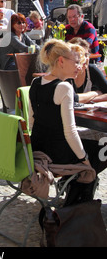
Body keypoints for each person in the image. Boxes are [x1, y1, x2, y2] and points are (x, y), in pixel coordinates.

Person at [29, 39, 107, 205]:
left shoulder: (35, 83)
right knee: (102, 148)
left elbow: (31, 123)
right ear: (61, 61)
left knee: (94, 146)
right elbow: (70, 133)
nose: (79, 66)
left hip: (38, 150)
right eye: (76, 61)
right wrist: (85, 160)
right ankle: (78, 197)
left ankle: (76, 190)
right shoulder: (64, 88)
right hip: (57, 154)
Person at [68, 37, 107, 103]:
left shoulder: (92, 70)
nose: (85, 59)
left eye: (86, 55)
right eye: (81, 55)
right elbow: (72, 98)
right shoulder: (65, 72)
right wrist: (94, 93)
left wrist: (91, 100)